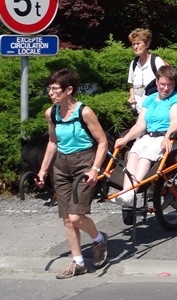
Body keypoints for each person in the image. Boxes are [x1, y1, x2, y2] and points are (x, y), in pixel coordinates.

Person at [35, 68, 109, 279]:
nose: (51, 92)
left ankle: (98, 239)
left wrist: (95, 169)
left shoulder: (84, 111)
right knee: (67, 218)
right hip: (61, 165)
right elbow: (52, 142)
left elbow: (102, 141)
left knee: (77, 216)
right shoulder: (51, 113)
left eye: (55, 89)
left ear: (69, 90)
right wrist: (42, 170)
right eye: (49, 88)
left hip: (84, 163)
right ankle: (77, 263)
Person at [112, 66, 177, 206]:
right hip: (148, 135)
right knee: (133, 153)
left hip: (165, 135)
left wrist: (167, 138)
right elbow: (141, 124)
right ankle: (126, 191)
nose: (166, 88)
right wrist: (126, 138)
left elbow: (175, 121)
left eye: (170, 85)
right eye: (163, 84)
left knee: (146, 155)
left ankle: (131, 192)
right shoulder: (150, 99)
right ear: (157, 82)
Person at [127, 28, 165, 113]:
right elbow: (131, 85)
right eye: (133, 44)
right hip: (138, 111)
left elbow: (166, 84)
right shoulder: (134, 64)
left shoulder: (156, 61)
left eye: (138, 43)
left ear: (147, 44)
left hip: (155, 110)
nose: (135, 47)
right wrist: (132, 96)